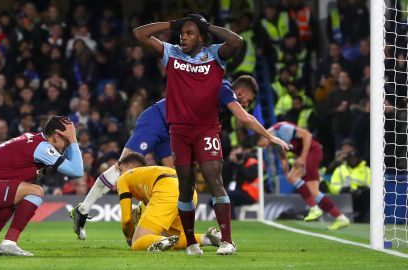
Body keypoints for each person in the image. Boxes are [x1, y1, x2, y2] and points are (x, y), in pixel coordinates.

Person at [132, 15, 289, 255]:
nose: (183, 36)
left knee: (213, 177)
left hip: (206, 129)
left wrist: (206, 27)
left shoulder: (215, 55)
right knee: (184, 185)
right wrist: (174, 24)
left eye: (189, 33)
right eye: (182, 33)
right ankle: (191, 243)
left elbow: (236, 42)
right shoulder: (171, 52)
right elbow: (139, 33)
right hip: (179, 130)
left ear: (201, 37)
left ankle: (227, 240)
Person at [70, 76, 289, 244]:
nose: (245, 105)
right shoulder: (224, 88)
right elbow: (244, 117)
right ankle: (82, 210)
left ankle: (146, 217)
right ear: (241, 91)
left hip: (174, 129)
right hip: (158, 117)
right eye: (246, 101)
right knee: (124, 166)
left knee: (175, 181)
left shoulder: (220, 99)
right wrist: (270, 137)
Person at [0, 116, 83, 256]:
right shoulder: (43, 148)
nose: (66, 146)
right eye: (65, 141)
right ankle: (9, 243)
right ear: (55, 136)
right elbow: (77, 171)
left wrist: (70, 138)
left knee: (18, 195)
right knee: (36, 191)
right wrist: (73, 140)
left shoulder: (34, 140)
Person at [114, 153, 222, 252]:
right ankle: (207, 239)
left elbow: (126, 219)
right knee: (173, 236)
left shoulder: (124, 178)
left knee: (137, 241)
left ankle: (159, 240)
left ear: (131, 167)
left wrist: (130, 237)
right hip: (189, 191)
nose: (118, 174)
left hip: (166, 190)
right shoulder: (149, 175)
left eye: (120, 169)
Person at [258, 121, 350, 230]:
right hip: (310, 153)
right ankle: (341, 218)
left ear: (262, 137)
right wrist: (287, 172)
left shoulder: (281, 129)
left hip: (312, 151)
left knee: (294, 177)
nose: (264, 147)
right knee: (314, 192)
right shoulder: (274, 140)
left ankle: (314, 208)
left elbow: (307, 135)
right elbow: (283, 155)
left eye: (261, 145)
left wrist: (302, 157)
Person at [329, 150, 370, 223]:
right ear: (347, 159)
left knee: (367, 193)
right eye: (351, 158)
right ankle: (344, 218)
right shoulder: (340, 169)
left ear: (358, 159)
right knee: (346, 193)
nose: (353, 160)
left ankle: (365, 218)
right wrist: (344, 189)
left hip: (362, 196)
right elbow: (333, 186)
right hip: (346, 195)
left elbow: (372, 185)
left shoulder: (367, 170)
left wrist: (360, 189)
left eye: (355, 158)